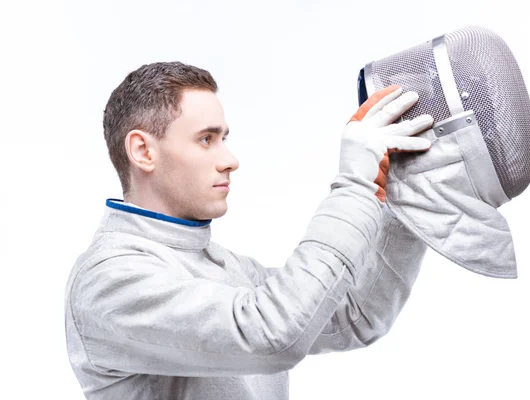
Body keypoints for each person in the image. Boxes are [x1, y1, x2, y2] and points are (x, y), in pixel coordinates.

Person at [64, 61, 434, 400]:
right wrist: (355, 186)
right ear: (144, 151)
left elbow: (354, 315)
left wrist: (406, 198)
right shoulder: (108, 280)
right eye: (206, 139)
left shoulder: (227, 267)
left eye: (223, 139)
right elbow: (270, 333)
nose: (230, 160)